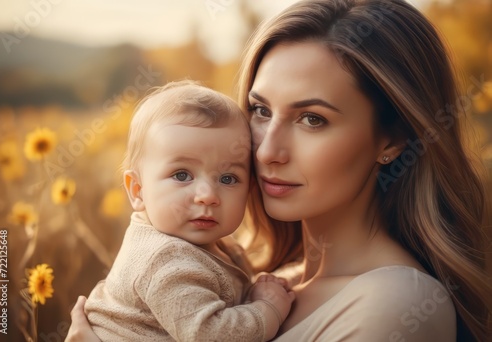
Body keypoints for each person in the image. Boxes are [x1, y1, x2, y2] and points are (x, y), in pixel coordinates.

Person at [66, 0, 492, 341]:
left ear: (393, 140)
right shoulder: (261, 282)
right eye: (260, 110)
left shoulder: (399, 303)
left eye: (312, 119)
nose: (267, 150)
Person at [83, 80, 295, 342]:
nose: (207, 195)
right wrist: (268, 309)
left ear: (249, 188)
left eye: (228, 179)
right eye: (182, 175)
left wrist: (254, 293)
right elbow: (210, 335)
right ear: (138, 190)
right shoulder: (164, 259)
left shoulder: (207, 243)